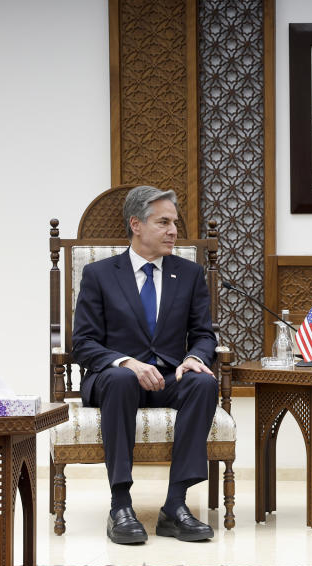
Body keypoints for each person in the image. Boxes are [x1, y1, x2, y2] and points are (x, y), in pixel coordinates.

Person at [73, 186, 219, 544]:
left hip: (169, 377)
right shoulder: (99, 274)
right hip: (114, 381)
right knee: (122, 380)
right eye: (164, 222)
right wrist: (127, 362)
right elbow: (83, 343)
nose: (173, 231)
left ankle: (175, 507)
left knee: (202, 383)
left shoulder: (188, 273)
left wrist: (193, 358)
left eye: (175, 222)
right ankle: (120, 505)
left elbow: (204, 334)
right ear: (136, 225)